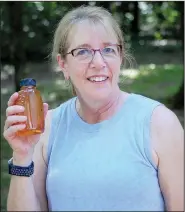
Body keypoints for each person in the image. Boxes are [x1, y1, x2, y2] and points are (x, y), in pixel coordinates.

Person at [3, 5, 184, 211]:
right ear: (63, 64)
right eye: (83, 51)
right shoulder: (46, 128)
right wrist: (22, 157)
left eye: (108, 49)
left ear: (120, 56)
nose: (98, 62)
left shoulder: (159, 123)